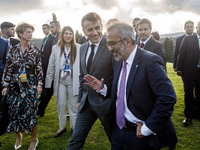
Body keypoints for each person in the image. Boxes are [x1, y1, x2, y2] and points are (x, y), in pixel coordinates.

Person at [84, 23, 177, 150]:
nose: (109, 49)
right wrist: (103, 88)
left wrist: (147, 128)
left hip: (140, 136)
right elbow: (124, 90)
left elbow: (168, 98)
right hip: (118, 131)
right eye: (108, 44)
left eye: (112, 44)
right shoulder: (118, 60)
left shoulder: (150, 61)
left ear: (127, 41)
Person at [67, 12, 115, 150]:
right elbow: (82, 76)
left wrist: (103, 88)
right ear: (83, 31)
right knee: (75, 142)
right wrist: (79, 100)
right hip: (86, 105)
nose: (95, 33)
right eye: (90, 29)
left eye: (97, 28)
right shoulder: (82, 48)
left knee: (116, 141)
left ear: (102, 26)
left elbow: (119, 79)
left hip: (106, 104)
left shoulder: (111, 46)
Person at [1, 23, 43, 150]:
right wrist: (5, 85)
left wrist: (39, 84)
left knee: (31, 111)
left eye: (31, 32)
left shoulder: (35, 50)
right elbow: (8, 69)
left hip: (30, 83)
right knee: (15, 111)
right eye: (28, 32)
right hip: (14, 85)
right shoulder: (12, 51)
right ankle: (18, 135)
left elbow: (39, 69)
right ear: (20, 34)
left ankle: (34, 139)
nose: (30, 34)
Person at [45, 26, 80, 137]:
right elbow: (51, 65)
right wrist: (48, 82)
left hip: (73, 80)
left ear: (73, 35)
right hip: (60, 80)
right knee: (61, 104)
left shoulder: (78, 47)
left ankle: (74, 128)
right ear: (62, 35)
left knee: (73, 106)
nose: (68, 36)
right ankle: (62, 127)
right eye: (66, 33)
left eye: (70, 33)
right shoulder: (56, 48)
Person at [176, 21, 200, 126]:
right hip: (189, 71)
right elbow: (181, 54)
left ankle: (197, 113)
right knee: (189, 94)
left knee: (199, 94)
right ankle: (188, 116)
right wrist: (179, 68)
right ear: (197, 27)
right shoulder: (188, 38)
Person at [37, 24, 54, 117]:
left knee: (48, 89)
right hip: (43, 65)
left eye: (45, 28)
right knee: (44, 86)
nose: (43, 30)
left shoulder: (52, 38)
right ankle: (40, 109)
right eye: (42, 28)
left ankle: (40, 109)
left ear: (49, 29)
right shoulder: (44, 39)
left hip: (49, 66)